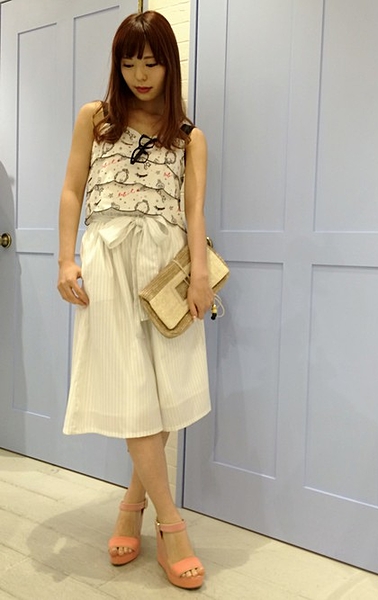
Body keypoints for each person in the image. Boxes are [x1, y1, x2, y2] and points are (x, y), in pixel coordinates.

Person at [57, 10, 212, 590]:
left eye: (150, 63)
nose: (139, 75)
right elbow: (72, 189)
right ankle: (172, 526)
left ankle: (131, 504)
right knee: (131, 388)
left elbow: (194, 211)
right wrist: (65, 259)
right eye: (128, 63)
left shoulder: (189, 136)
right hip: (107, 263)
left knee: (163, 394)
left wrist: (200, 275)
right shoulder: (94, 119)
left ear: (170, 64)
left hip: (166, 270)